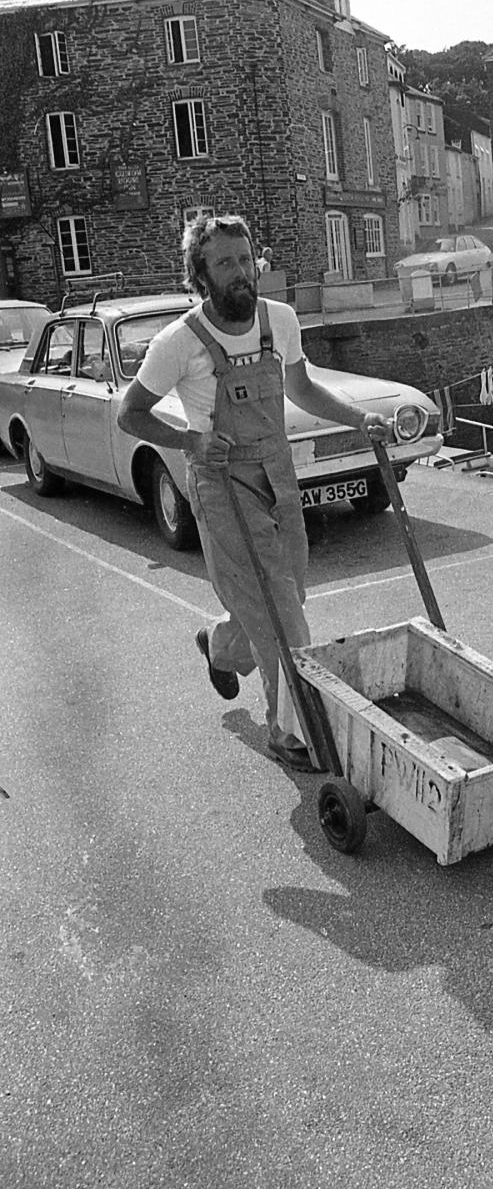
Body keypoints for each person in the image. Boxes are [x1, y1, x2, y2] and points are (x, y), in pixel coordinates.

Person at [117, 213, 390, 771]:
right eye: (225, 263)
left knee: (285, 595)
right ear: (201, 273)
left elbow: (303, 388)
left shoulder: (279, 321)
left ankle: (220, 646)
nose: (241, 272)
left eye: (245, 259)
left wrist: (359, 419)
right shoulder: (179, 342)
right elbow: (130, 414)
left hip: (277, 475)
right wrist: (189, 441)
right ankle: (291, 732)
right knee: (282, 615)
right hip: (220, 485)